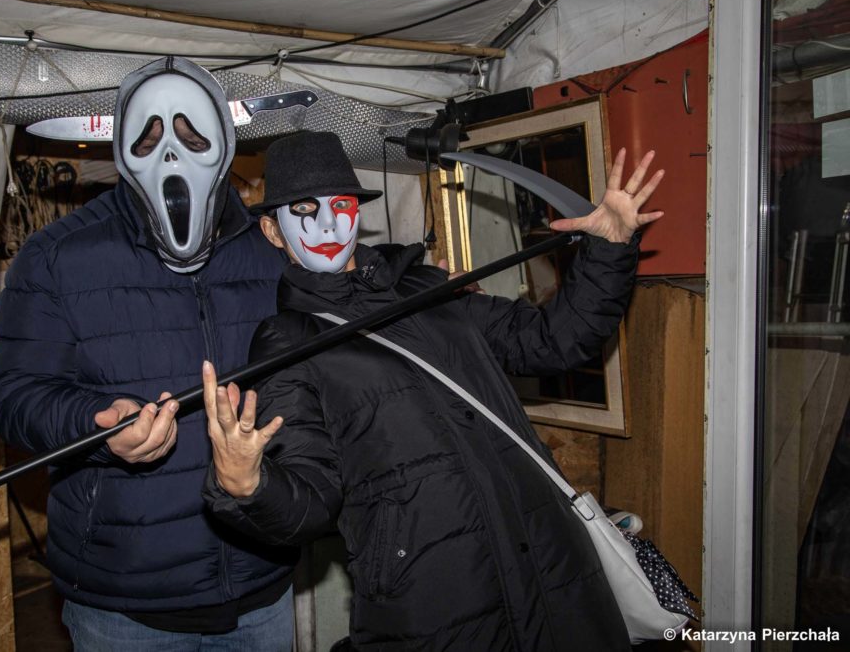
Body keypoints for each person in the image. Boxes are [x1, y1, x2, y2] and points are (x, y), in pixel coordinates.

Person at [201, 130, 665, 650]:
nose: (328, 224)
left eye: (341, 205)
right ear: (271, 230)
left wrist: (609, 249)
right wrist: (250, 484)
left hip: (550, 564)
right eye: (304, 210)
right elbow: (312, 499)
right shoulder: (287, 341)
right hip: (438, 599)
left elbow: (552, 341)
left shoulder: (428, 289)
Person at [0, 57, 297, 651]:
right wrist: (96, 426)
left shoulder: (270, 250)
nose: (170, 154)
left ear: (225, 142)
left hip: (262, 582)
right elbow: (12, 398)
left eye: (191, 134)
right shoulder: (57, 257)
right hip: (125, 604)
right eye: (148, 138)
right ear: (122, 151)